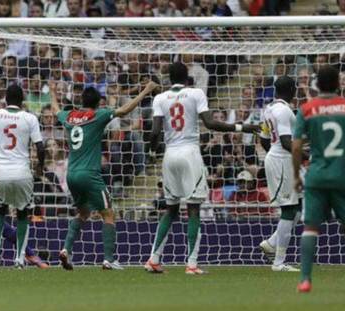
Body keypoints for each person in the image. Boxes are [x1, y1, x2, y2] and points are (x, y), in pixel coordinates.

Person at [146, 62, 259, 275]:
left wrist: (152, 153)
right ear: (188, 77)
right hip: (190, 153)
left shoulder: (159, 98)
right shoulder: (196, 93)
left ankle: (153, 259)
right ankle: (192, 263)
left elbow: (154, 133)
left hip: (169, 155)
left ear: (169, 78)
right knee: (194, 208)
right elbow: (210, 124)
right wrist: (241, 127)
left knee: (170, 209)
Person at [54, 80, 158, 271]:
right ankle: (109, 259)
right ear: (98, 103)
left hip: (71, 175)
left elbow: (56, 110)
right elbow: (124, 111)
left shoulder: (69, 115)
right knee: (108, 213)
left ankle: (66, 249)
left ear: (81, 101)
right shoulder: (98, 114)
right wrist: (145, 91)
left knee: (83, 212)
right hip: (89, 174)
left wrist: (52, 92)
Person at [292, 65, 345, 293]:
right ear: (338, 83)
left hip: (316, 176)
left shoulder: (306, 109)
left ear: (316, 85)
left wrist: (297, 174)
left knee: (310, 227)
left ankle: (305, 280)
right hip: (343, 176)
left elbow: (296, 147)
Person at [0, 84, 45, 269]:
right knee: (22, 214)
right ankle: (20, 260)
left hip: (1, 173)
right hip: (23, 173)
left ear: (6, 99)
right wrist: (40, 168)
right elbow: (40, 147)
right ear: (22, 100)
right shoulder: (30, 118)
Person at [257, 75, 302, 272]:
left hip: (278, 158)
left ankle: (272, 243)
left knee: (297, 206)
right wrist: (308, 154)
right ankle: (278, 262)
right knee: (289, 209)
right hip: (282, 160)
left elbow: (264, 139)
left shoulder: (268, 109)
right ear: (293, 90)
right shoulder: (284, 111)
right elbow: (284, 141)